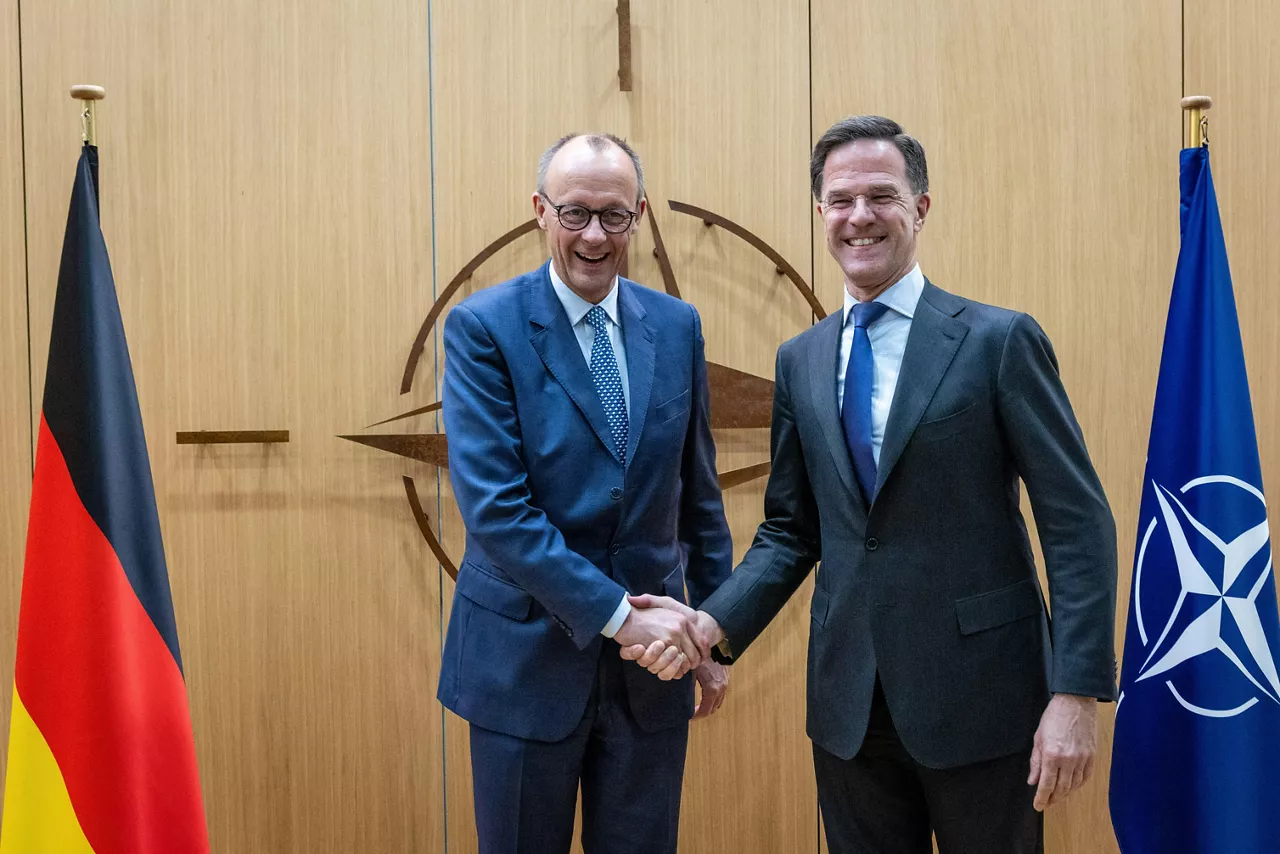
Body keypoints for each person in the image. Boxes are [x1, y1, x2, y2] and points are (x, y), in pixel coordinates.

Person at [625, 115, 1117, 853]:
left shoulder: (998, 341)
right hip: (849, 707)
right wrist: (710, 625)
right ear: (821, 213)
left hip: (985, 700)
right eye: (841, 199)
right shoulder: (801, 360)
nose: (860, 216)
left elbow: (1077, 524)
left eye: (881, 196)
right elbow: (793, 531)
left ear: (921, 207)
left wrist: (1077, 694)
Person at [437, 132, 733, 854]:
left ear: (637, 216)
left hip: (652, 679)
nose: (595, 235)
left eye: (614, 216)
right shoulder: (483, 329)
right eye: (575, 214)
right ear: (540, 212)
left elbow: (699, 497)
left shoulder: (677, 324)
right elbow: (499, 513)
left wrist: (719, 632)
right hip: (523, 667)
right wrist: (620, 618)